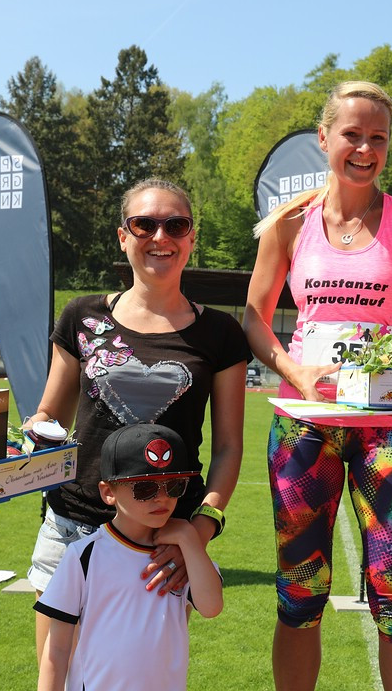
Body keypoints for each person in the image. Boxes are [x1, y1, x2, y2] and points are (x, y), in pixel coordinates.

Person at [243, 81, 392, 691]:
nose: (364, 148)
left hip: (388, 430)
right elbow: (254, 316)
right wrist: (294, 370)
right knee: (300, 589)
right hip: (305, 428)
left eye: (377, 137)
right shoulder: (289, 225)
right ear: (324, 138)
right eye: (351, 135)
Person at [26, 177, 250, 666]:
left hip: (159, 542)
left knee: (143, 674)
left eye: (176, 225)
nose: (160, 237)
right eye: (144, 224)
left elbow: (229, 447)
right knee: (58, 670)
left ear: (191, 237)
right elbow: (50, 418)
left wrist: (200, 530)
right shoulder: (81, 317)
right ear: (122, 236)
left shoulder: (220, 333)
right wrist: (25, 438)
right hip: (73, 527)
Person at [35, 423, 222, 691]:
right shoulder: (84, 556)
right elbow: (57, 650)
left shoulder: (182, 557)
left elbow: (212, 606)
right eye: (144, 488)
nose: (162, 498)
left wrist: (190, 538)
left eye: (174, 486)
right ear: (108, 492)